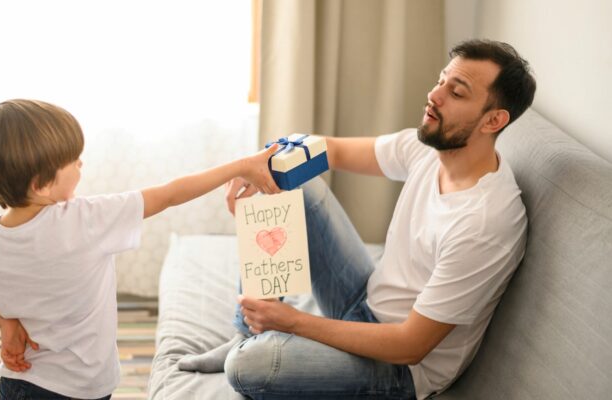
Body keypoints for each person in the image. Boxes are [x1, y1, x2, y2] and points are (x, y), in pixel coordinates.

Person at [177, 39, 537, 399]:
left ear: (494, 120)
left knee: (247, 367)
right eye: (441, 80)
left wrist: (294, 323)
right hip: (364, 300)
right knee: (294, 180)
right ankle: (247, 331)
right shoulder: (428, 149)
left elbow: (411, 345)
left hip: (400, 368)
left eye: (456, 93)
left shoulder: (483, 223)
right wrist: (261, 166)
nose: (434, 96)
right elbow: (328, 149)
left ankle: (257, 342)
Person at [0, 99, 281, 399]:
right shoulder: (86, 220)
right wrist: (241, 166)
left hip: (19, 384)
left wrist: (1, 320)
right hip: (85, 387)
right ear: (42, 184)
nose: (81, 164)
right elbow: (171, 193)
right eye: (73, 160)